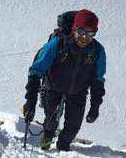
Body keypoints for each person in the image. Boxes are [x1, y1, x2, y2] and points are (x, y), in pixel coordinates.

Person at [23, 9, 106, 151]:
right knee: (51, 121)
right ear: (74, 28)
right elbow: (36, 71)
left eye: (90, 33)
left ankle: (63, 148)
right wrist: (30, 101)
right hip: (52, 87)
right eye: (81, 32)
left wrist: (95, 106)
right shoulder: (58, 44)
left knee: (73, 126)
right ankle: (46, 143)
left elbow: (98, 80)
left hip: (78, 91)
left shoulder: (97, 51)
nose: (84, 37)